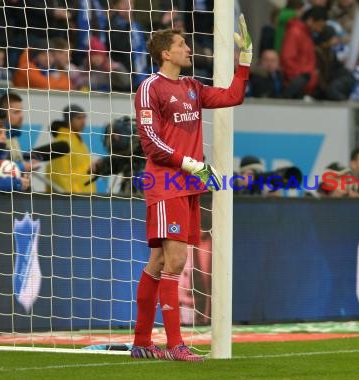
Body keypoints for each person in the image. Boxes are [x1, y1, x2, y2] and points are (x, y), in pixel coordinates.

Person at [131, 15, 252, 361]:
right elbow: (151, 143)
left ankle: (141, 342)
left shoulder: (192, 87)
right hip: (165, 182)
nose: (188, 49)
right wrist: (190, 163)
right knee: (176, 260)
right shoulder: (150, 88)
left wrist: (244, 62)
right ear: (166, 54)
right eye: (182, 45)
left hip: (189, 184)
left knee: (158, 261)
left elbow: (233, 95)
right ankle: (175, 345)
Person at [45, 105, 95, 194]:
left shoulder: (79, 143)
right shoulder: (62, 143)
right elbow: (59, 176)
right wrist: (72, 198)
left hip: (85, 199)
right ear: (69, 120)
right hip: (72, 201)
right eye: (79, 118)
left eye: (84, 118)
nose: (83, 122)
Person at [0, 91, 38, 172]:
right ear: (2, 115)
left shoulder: (13, 135)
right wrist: (21, 167)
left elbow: (10, 160)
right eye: (16, 112)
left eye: (21, 111)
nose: (21, 116)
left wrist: (26, 161)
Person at [0, 116, 30, 192]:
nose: (4, 137)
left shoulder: (3, 154)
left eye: (5, 133)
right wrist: (15, 183)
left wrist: (21, 178)